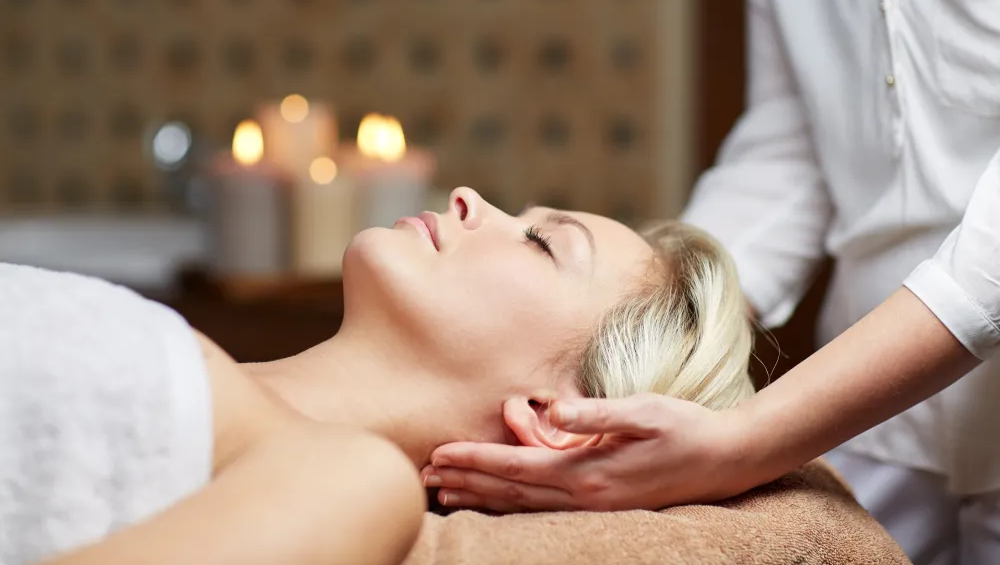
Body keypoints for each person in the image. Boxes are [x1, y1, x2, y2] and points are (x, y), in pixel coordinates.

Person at [422, 0, 1000, 563]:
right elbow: (793, 141)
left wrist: (745, 441)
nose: (465, 197)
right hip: (880, 417)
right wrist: (660, 334)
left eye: (541, 242)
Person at [1, 187, 757, 565]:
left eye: (540, 242)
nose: (468, 197)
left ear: (557, 418)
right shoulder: (189, 359)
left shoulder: (352, 479)